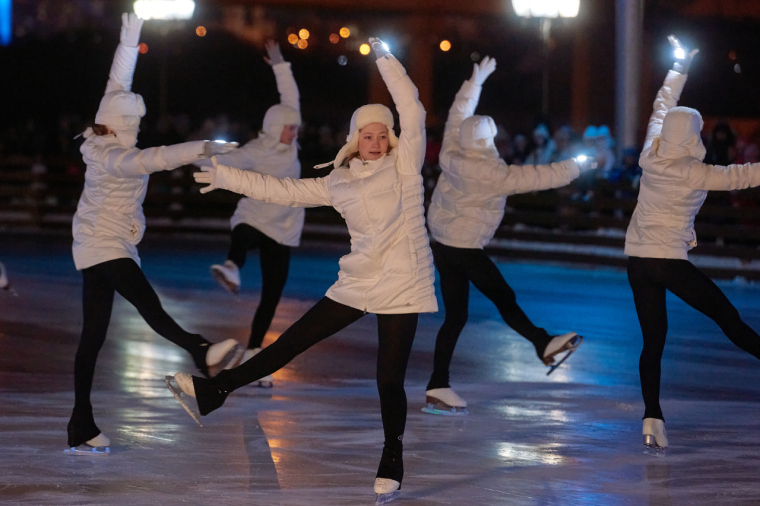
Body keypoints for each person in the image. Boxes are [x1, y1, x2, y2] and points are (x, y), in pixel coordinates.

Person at [167, 37, 436, 503]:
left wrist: (387, 60)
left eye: (380, 135)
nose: (373, 143)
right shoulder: (340, 181)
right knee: (290, 343)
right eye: (365, 135)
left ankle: (392, 454)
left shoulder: (405, 167)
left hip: (404, 283)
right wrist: (230, 177)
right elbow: (285, 191)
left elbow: (412, 109)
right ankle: (216, 391)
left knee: (388, 379)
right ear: (354, 140)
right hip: (358, 280)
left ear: (391, 138)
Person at [66, 13, 241, 455]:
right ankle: (198, 349)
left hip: (104, 241)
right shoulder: (112, 155)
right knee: (145, 302)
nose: (138, 130)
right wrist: (197, 149)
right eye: (135, 125)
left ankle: (80, 425)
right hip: (103, 243)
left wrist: (130, 39)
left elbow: (116, 83)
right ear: (122, 126)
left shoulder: (112, 125)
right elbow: (151, 161)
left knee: (93, 336)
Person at [423, 57, 591, 415]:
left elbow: (457, 113)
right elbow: (539, 177)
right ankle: (543, 343)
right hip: (465, 247)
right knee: (504, 297)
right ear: (489, 139)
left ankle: (438, 385)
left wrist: (475, 81)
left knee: (457, 317)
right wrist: (579, 165)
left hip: (443, 244)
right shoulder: (493, 173)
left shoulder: (452, 151)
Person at [626, 36, 760, 455]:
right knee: (730, 320)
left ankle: (652, 420)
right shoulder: (694, 172)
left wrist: (680, 67)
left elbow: (660, 107)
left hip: (638, 260)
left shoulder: (651, 152)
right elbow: (743, 176)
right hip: (668, 262)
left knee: (653, 342)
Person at [195, 40, 303, 388]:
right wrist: (194, 154)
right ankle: (231, 267)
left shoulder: (292, 146)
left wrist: (279, 64)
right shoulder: (256, 151)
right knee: (243, 232)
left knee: (272, 294)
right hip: (256, 215)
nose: (294, 130)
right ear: (274, 127)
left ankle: (256, 353)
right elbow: (225, 162)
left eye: (294, 126)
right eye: (289, 127)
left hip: (283, 227)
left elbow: (291, 99)